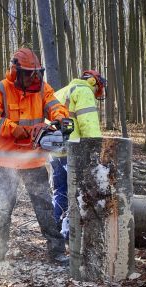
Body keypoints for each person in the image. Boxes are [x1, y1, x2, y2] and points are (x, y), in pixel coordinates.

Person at [0, 48, 69, 264]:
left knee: (45, 208)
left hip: (33, 160)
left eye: (36, 73)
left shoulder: (42, 89)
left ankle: (56, 253)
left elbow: (57, 106)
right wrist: (13, 128)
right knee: (3, 210)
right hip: (6, 162)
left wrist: (58, 121)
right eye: (29, 73)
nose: (33, 77)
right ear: (16, 71)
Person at [49, 70, 107, 239]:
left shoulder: (62, 91)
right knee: (79, 190)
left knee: (60, 190)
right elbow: (89, 125)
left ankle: (56, 228)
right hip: (74, 150)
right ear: (94, 82)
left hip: (54, 150)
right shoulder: (83, 91)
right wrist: (96, 151)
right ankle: (71, 232)